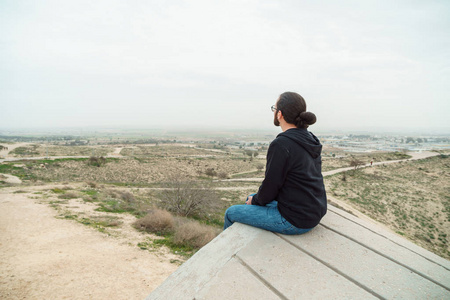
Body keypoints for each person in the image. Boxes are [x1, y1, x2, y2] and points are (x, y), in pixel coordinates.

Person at [223, 92, 327, 235]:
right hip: (313, 210)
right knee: (251, 197)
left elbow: (271, 185)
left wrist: (255, 202)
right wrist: (255, 200)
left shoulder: (282, 144)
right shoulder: (309, 138)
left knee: (231, 213)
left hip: (295, 220)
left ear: (279, 114)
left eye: (275, 108)